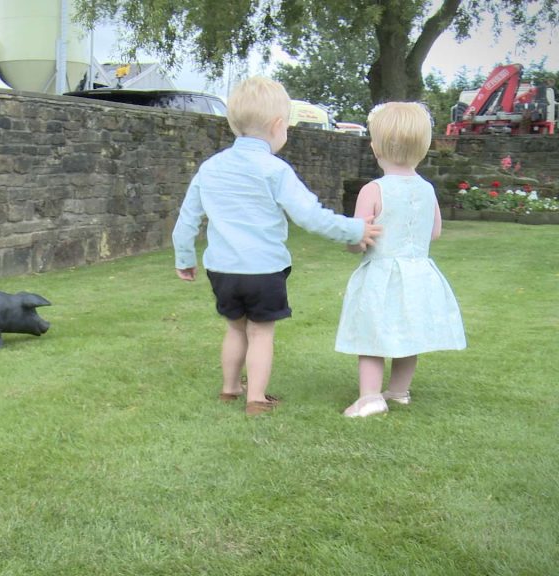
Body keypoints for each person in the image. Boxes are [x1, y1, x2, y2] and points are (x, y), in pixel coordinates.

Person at [172, 76, 382, 416]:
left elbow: (187, 219)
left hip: (222, 269)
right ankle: (256, 397)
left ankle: (229, 389)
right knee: (261, 333)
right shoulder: (275, 170)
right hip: (263, 270)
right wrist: (354, 229)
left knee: (235, 328)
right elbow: (310, 215)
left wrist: (184, 257)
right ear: (278, 124)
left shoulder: (210, 168)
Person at [335, 102, 466, 417]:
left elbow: (359, 237)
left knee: (372, 333)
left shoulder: (373, 189)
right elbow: (434, 232)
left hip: (382, 273)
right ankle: (398, 391)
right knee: (409, 333)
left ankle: (369, 398)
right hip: (419, 273)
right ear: (423, 148)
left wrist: (354, 244)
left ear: (375, 147)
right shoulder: (427, 189)